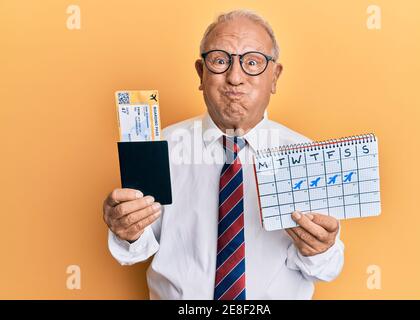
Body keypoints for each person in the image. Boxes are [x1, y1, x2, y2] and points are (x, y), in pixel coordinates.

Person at [103, 9, 344, 300]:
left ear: (275, 77)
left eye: (252, 62)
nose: (235, 77)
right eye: (220, 61)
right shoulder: (157, 148)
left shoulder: (306, 155)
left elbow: (323, 268)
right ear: (201, 73)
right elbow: (136, 250)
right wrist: (125, 230)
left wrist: (321, 249)